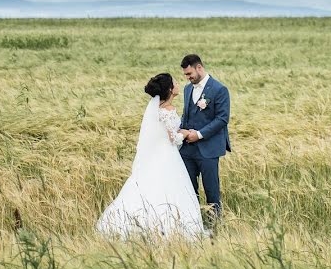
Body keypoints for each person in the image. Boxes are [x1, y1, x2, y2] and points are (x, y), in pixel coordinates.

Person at [96, 73, 205, 240]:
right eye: (174, 82)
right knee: (170, 189)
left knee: (151, 186)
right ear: (170, 89)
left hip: (159, 155)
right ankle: (171, 227)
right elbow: (173, 138)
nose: (177, 84)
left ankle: (145, 224)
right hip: (168, 157)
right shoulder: (167, 110)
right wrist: (184, 133)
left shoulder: (157, 110)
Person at [178, 54, 231, 228]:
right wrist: (180, 132)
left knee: (211, 191)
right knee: (188, 190)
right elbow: (187, 115)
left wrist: (199, 134)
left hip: (208, 149)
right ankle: (192, 227)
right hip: (187, 151)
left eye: (189, 73)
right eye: (186, 75)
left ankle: (214, 227)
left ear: (199, 67)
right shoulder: (187, 89)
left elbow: (222, 119)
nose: (188, 77)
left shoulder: (219, 89)